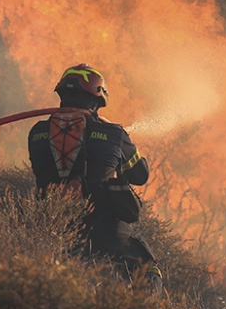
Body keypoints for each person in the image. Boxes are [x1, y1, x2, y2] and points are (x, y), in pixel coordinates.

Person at [27, 64, 162, 291]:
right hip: (108, 230)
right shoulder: (114, 133)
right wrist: (116, 136)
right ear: (96, 100)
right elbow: (140, 175)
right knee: (148, 271)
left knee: (65, 287)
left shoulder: (37, 133)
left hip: (55, 231)